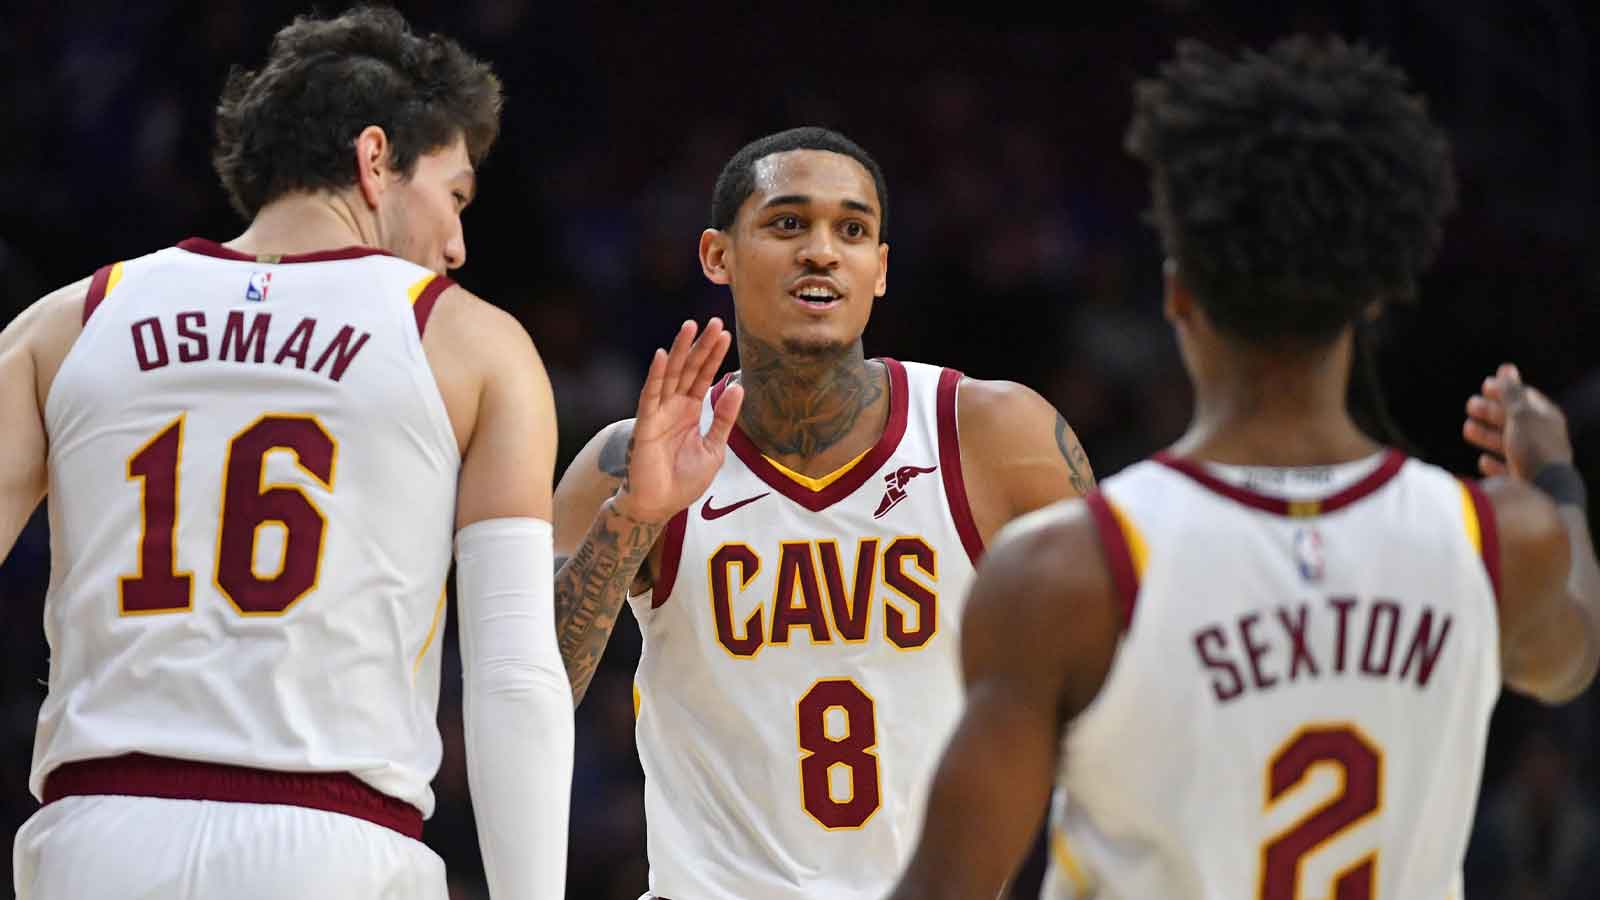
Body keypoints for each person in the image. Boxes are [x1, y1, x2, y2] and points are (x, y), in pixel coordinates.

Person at [885, 35, 1600, 900]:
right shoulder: (1500, 540)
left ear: (1178, 291)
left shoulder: (1064, 570)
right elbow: (1574, 658)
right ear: (1375, 293)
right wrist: (1555, 477)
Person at [0, 8, 572, 898]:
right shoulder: (470, 343)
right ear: (375, 159)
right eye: (453, 195)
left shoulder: (64, 324)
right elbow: (511, 674)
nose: (458, 242)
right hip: (335, 844)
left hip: (95, 838)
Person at [550, 126, 1097, 900]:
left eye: (853, 229)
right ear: (717, 255)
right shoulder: (626, 460)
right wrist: (632, 519)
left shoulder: (997, 436)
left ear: (879, 269)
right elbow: (525, 694)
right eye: (786, 223)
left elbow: (1127, 684)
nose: (821, 251)